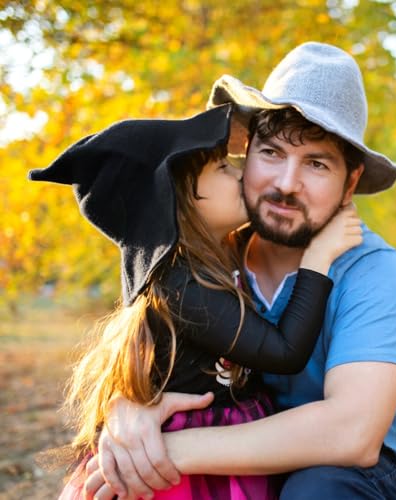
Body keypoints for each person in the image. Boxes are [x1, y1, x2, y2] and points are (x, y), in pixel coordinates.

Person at [29, 103, 363, 499]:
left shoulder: (219, 258)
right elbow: (285, 351)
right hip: (181, 460)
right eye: (223, 168)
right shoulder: (180, 284)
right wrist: (319, 258)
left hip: (221, 438)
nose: (241, 173)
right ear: (178, 198)